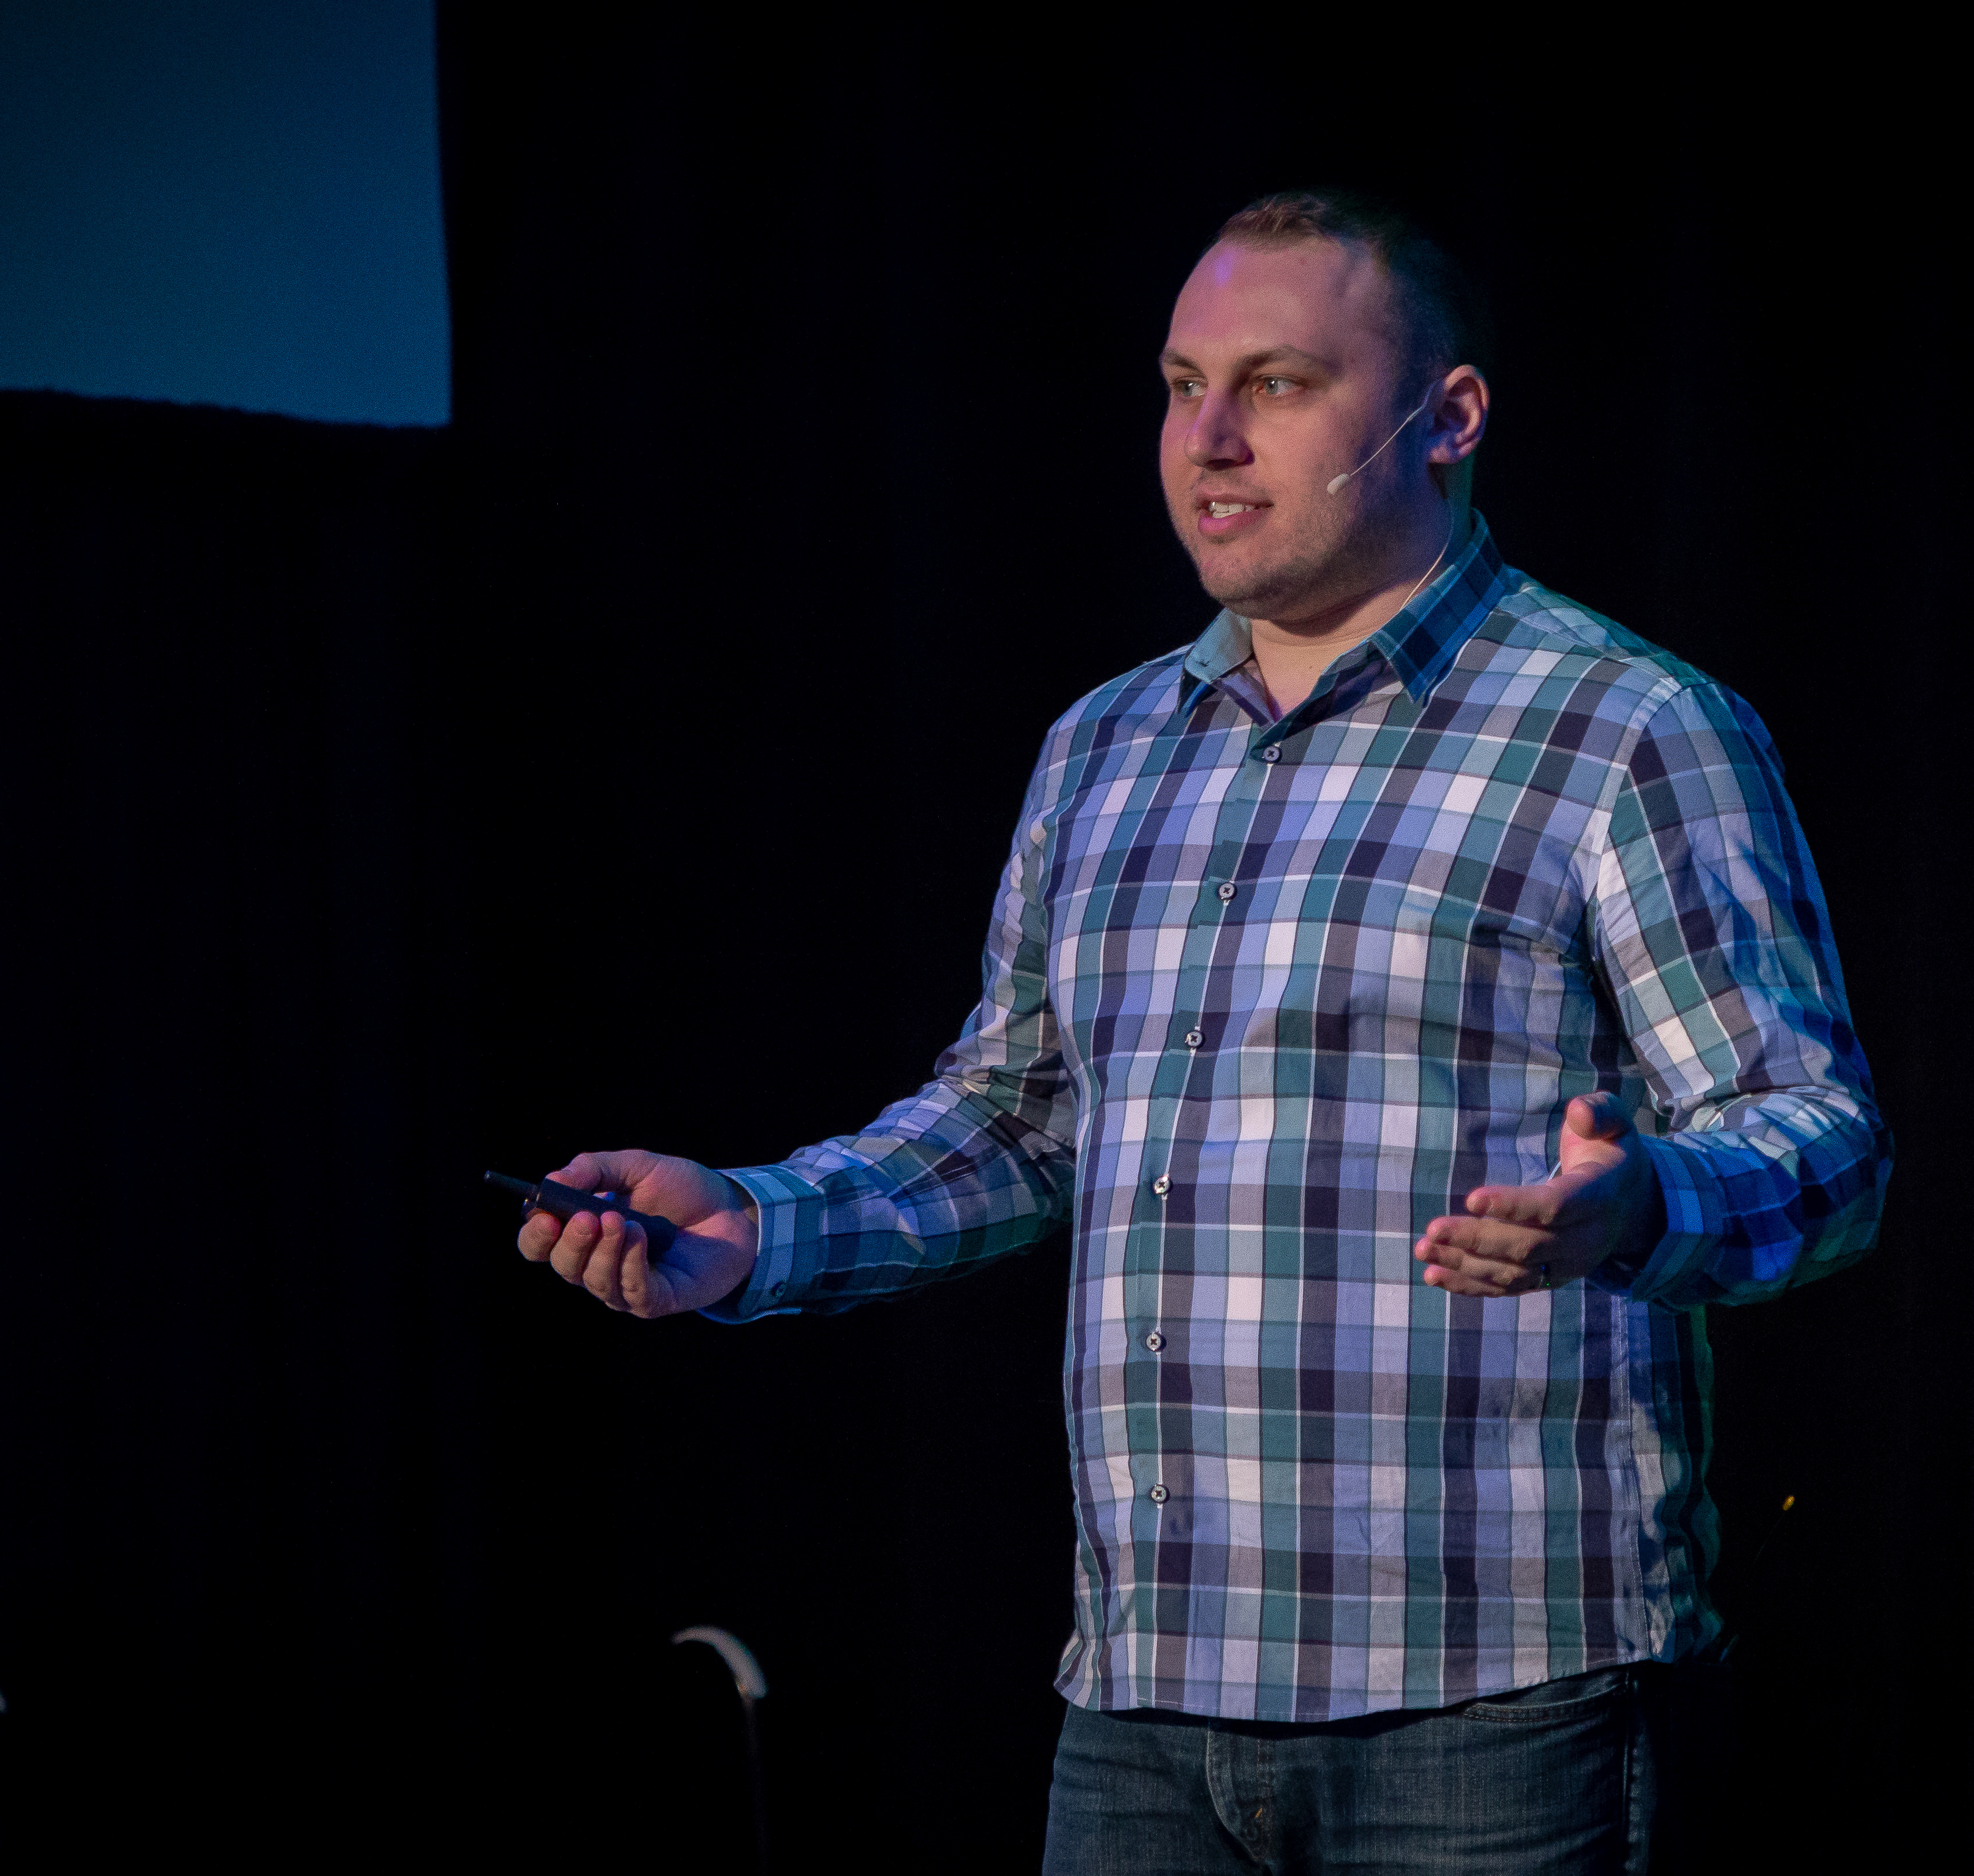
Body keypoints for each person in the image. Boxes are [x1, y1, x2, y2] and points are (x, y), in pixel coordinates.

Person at [514, 188, 1890, 1874]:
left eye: (1279, 383)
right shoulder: (1107, 747)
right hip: (1146, 1710)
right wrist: (757, 1224)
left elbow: (1821, 1139)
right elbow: (1020, 1116)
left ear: (1449, 416)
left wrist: (1646, 1204)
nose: (1210, 439)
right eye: (1181, 385)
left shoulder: (1624, 726)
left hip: (1494, 1707)